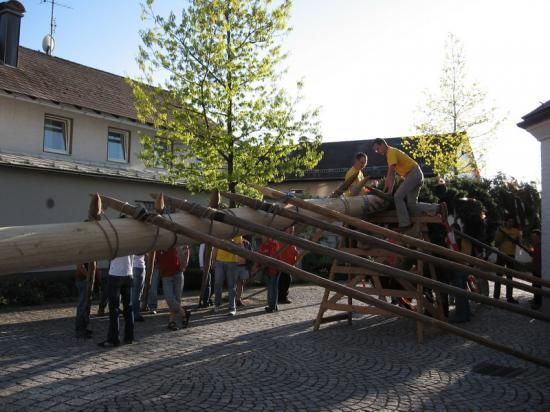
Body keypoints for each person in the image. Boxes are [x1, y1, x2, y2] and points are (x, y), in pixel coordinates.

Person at [372, 138, 439, 229]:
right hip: (416, 174)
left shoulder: (391, 152)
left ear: (383, 144)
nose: (377, 151)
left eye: (377, 148)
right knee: (412, 205)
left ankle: (404, 224)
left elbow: (390, 173)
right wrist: (388, 191)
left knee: (398, 197)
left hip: (413, 174)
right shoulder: (391, 153)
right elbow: (392, 175)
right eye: (375, 150)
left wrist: (386, 191)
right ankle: (437, 208)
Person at [98, 254, 134, 347]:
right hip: (128, 273)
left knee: (114, 308)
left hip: (115, 273)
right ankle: (129, 337)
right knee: (128, 307)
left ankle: (113, 339)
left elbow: (109, 256)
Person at [158, 245, 191, 330]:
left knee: (176, 299)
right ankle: (184, 313)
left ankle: (171, 321)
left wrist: (184, 264)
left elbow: (186, 249)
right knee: (169, 298)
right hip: (166, 275)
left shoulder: (175, 239)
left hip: (178, 273)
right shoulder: (158, 242)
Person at [213, 236, 244, 316]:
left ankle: (232, 308)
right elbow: (215, 246)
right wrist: (213, 260)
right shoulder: (221, 231)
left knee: (231, 286)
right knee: (217, 284)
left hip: (232, 262)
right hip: (219, 261)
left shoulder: (237, 233)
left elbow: (240, 248)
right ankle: (217, 304)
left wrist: (231, 242)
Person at [493, 216, 521, 304]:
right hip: (501, 255)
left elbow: (520, 243)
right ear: (506, 222)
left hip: (511, 256)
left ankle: (509, 297)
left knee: (510, 276)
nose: (511, 223)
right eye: (509, 221)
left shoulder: (516, 232)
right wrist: (503, 237)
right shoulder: (500, 230)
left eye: (512, 222)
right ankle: (496, 297)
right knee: (499, 276)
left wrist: (517, 240)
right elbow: (496, 244)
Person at [257, 235, 281, 313]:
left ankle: (272, 306)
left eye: (263, 236)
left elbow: (273, 257)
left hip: (274, 269)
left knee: (273, 287)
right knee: (271, 287)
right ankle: (273, 305)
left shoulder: (273, 244)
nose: (262, 238)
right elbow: (260, 257)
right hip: (267, 269)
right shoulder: (262, 246)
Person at [75, 260, 96, 338]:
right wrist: (88, 277)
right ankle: (80, 329)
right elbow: (80, 265)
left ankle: (85, 327)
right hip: (83, 280)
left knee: (86, 305)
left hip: (87, 280)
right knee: (82, 306)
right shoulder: (84, 251)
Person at [277, 226, 299, 304]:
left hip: (289, 265)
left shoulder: (292, 241)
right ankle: (281, 298)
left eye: (292, 230)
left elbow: (294, 253)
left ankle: (283, 297)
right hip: (282, 265)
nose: (291, 231)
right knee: (282, 282)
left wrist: (295, 260)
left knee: (287, 281)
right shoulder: (281, 239)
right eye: (289, 230)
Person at [235, 238, 253, 307]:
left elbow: (251, 254)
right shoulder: (233, 241)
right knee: (233, 284)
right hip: (234, 265)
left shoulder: (246, 243)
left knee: (241, 283)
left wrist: (249, 266)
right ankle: (233, 300)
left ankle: (238, 299)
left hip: (243, 266)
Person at [198, 243, 214, 308]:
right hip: (206, 266)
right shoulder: (203, 244)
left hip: (213, 266)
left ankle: (208, 298)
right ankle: (205, 301)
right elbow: (201, 254)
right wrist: (202, 265)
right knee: (207, 284)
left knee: (213, 284)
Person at [132, 254, 146, 322]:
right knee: (137, 293)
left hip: (129, 267)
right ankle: (135, 314)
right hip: (139, 265)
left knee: (132, 292)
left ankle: (130, 313)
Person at [530, 229, 542, 310]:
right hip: (535, 269)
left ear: (538, 237)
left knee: (538, 286)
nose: (533, 238)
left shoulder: (540, 246)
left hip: (539, 270)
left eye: (534, 236)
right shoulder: (536, 246)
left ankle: (537, 303)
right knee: (535, 285)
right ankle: (535, 300)